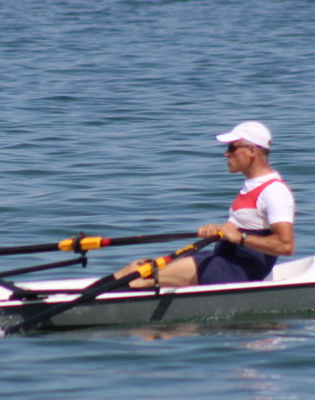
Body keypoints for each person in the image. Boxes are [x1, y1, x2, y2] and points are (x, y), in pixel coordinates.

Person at [116, 121, 295, 288]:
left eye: (232, 148)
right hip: (222, 260)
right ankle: (95, 295)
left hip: (237, 272)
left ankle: (96, 308)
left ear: (252, 151)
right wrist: (219, 230)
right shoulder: (251, 185)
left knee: (140, 275)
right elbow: (244, 227)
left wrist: (240, 238)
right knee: (139, 266)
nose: (226, 153)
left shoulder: (274, 192)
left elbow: (285, 245)